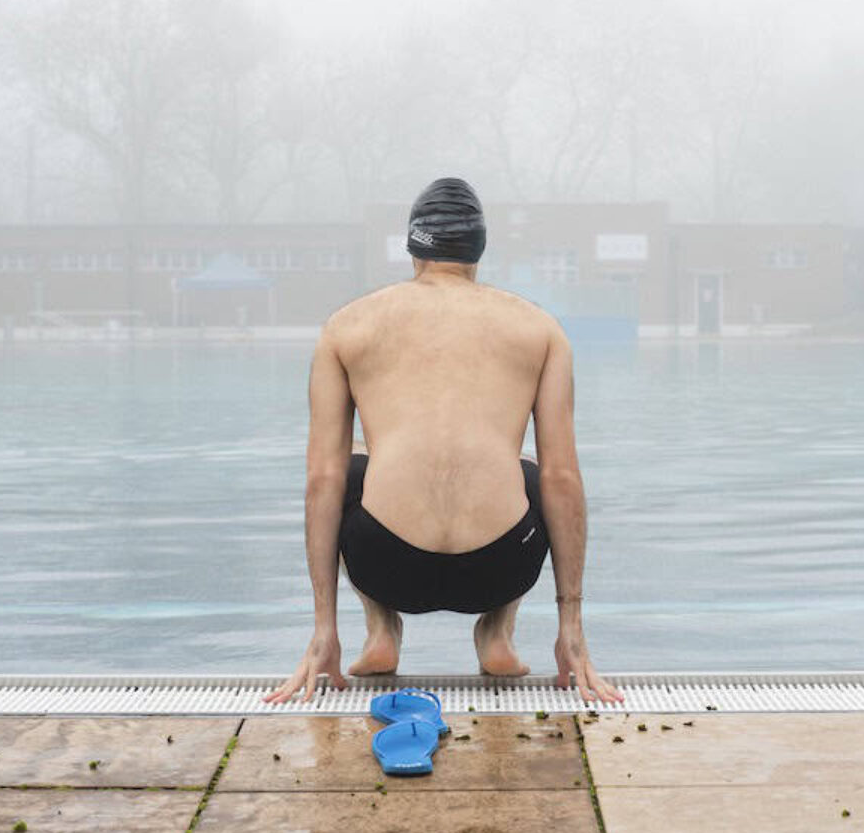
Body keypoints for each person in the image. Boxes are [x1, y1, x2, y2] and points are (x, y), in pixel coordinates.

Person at [266, 177, 621, 705]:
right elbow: (562, 479)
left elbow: (323, 478)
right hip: (500, 569)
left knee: (353, 464)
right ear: (478, 251)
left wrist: (323, 629)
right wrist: (572, 624)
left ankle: (380, 630)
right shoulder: (540, 329)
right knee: (530, 471)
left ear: (412, 249)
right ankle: (497, 634)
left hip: (387, 566)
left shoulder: (347, 326)